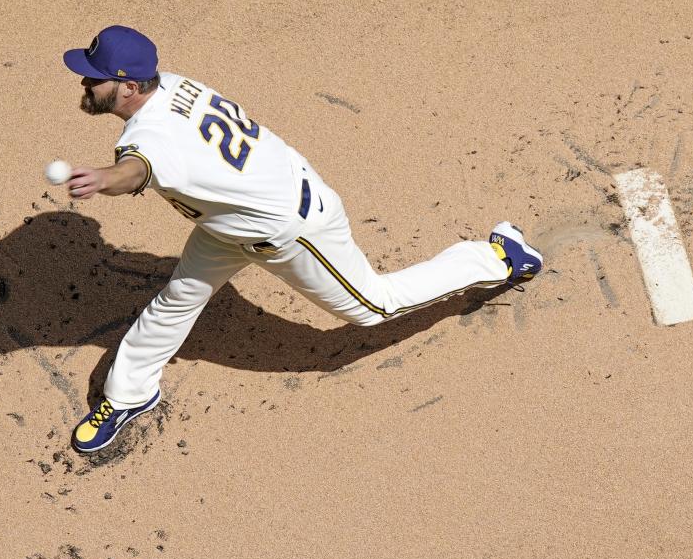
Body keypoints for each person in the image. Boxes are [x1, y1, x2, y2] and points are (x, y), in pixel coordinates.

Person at [61, 25, 543, 453]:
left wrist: (106, 178)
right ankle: (129, 396)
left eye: (93, 76)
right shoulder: (175, 84)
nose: (84, 82)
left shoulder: (153, 139)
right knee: (178, 298)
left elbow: (138, 169)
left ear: (128, 85)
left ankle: (498, 256)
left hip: (293, 230)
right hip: (233, 219)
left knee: (373, 306)